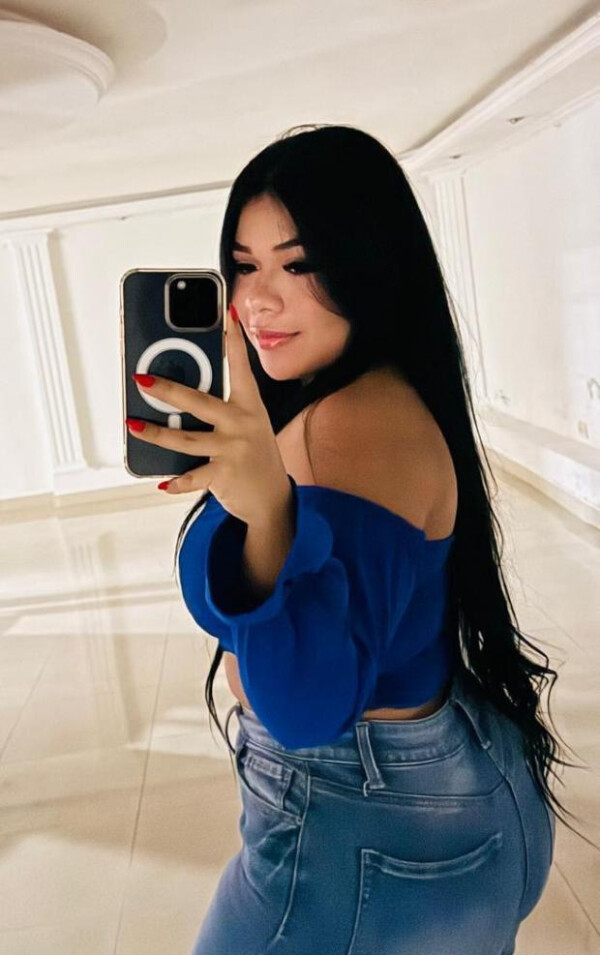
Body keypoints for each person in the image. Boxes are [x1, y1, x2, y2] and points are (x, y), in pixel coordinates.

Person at [169, 124, 589, 955]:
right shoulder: (365, 395)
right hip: (431, 794)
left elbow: (304, 708)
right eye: (244, 265)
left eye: (297, 265)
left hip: (358, 823)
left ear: (369, 265)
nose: (257, 300)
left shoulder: (346, 428)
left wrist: (269, 517)